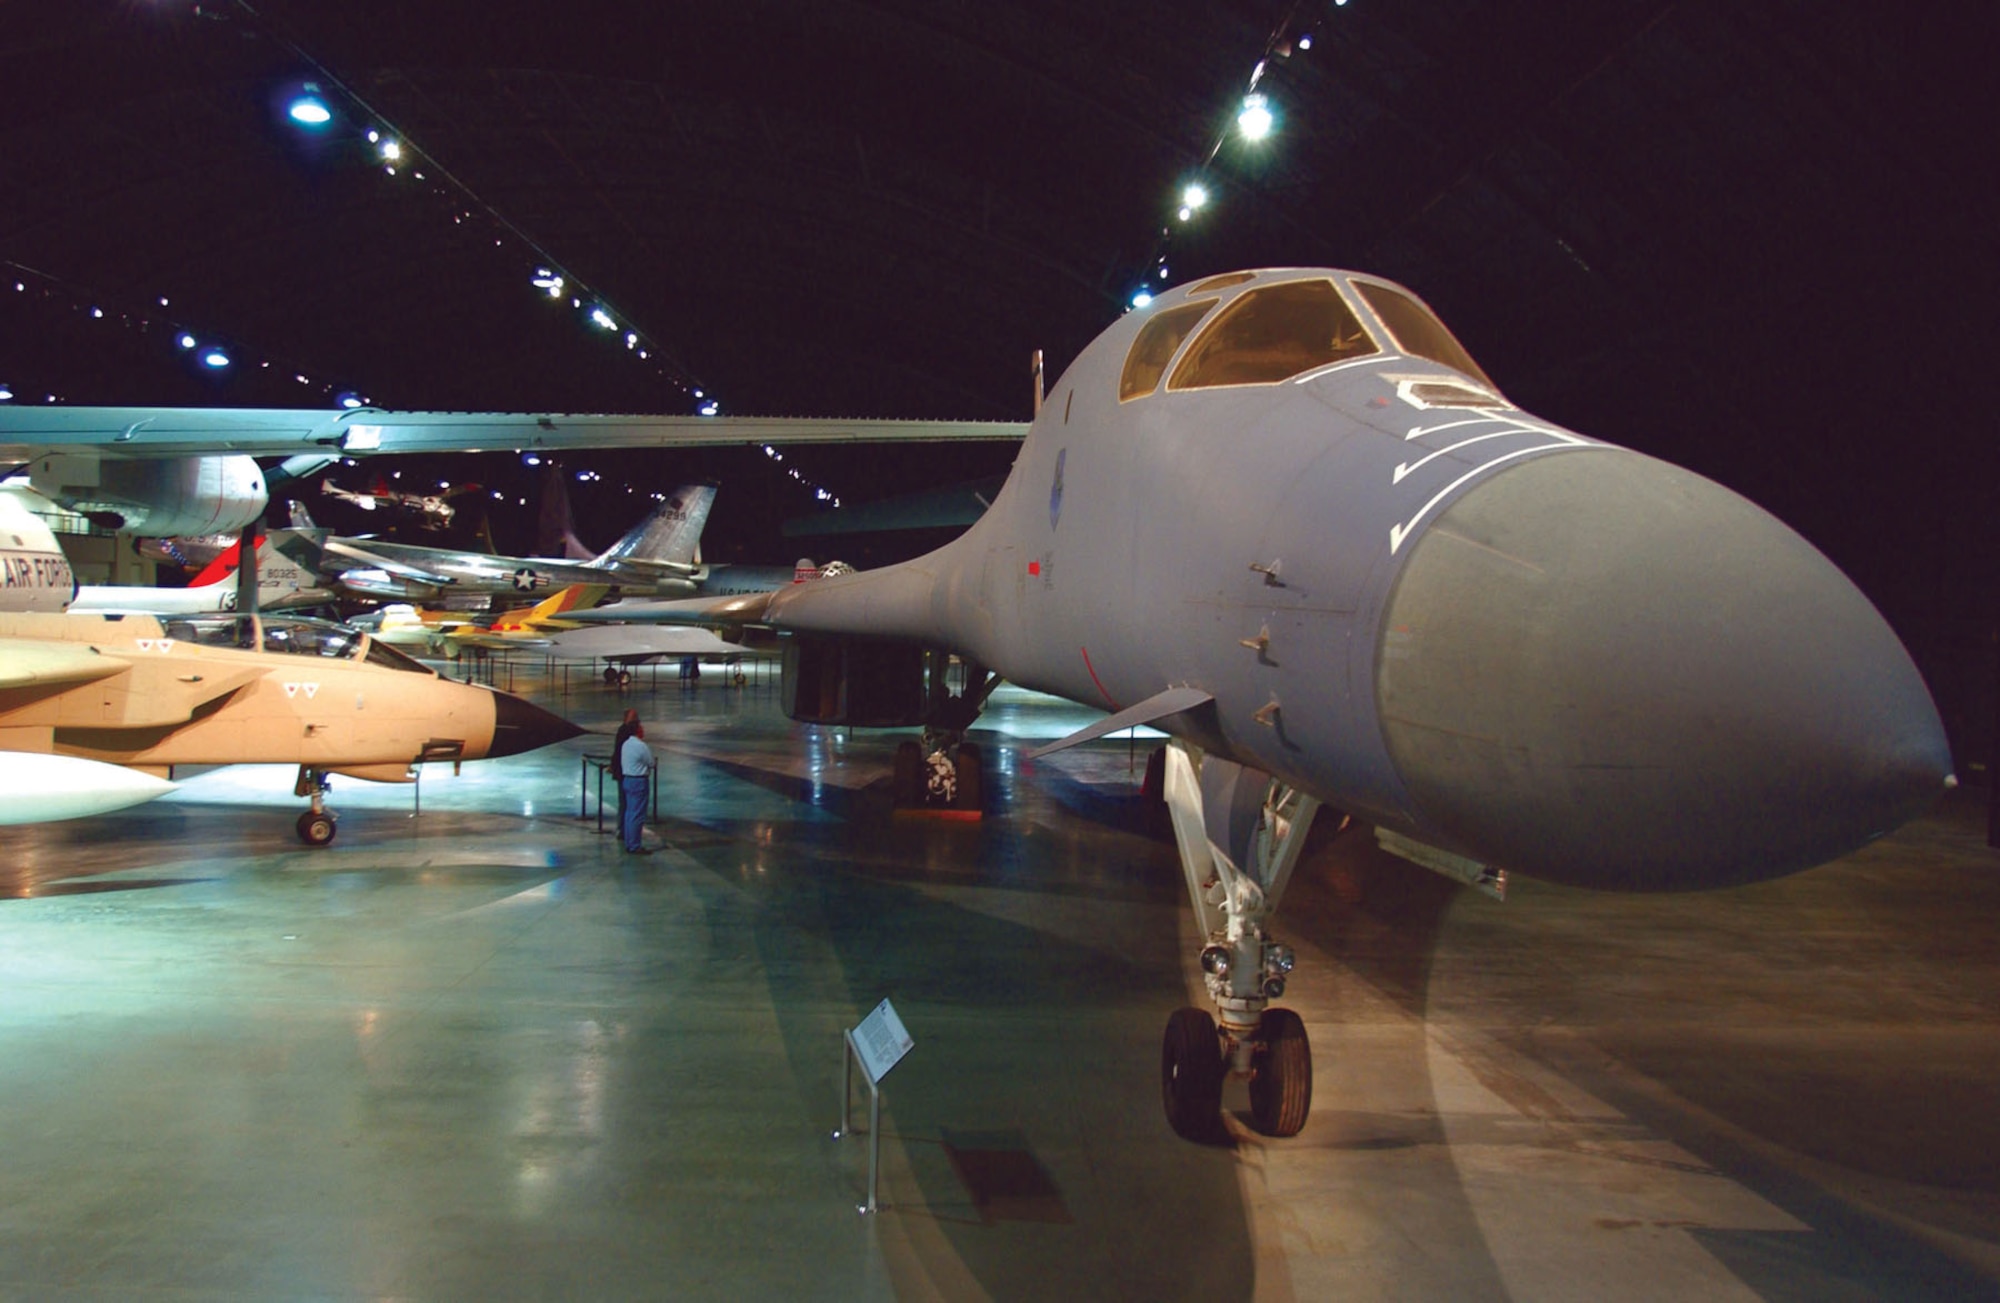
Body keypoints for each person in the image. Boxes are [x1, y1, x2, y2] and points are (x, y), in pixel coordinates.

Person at [618, 721, 656, 854]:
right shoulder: (641, 746)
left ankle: (629, 842)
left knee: (629, 813)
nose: (643, 730)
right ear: (637, 731)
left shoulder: (625, 744)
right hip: (639, 781)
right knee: (637, 814)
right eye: (641, 728)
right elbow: (651, 762)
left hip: (627, 779)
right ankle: (635, 845)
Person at [610, 707, 639, 839]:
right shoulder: (625, 734)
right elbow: (619, 752)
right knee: (626, 803)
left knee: (625, 803)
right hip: (625, 773)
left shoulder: (623, 732)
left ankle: (623, 829)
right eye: (634, 719)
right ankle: (623, 830)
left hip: (625, 772)